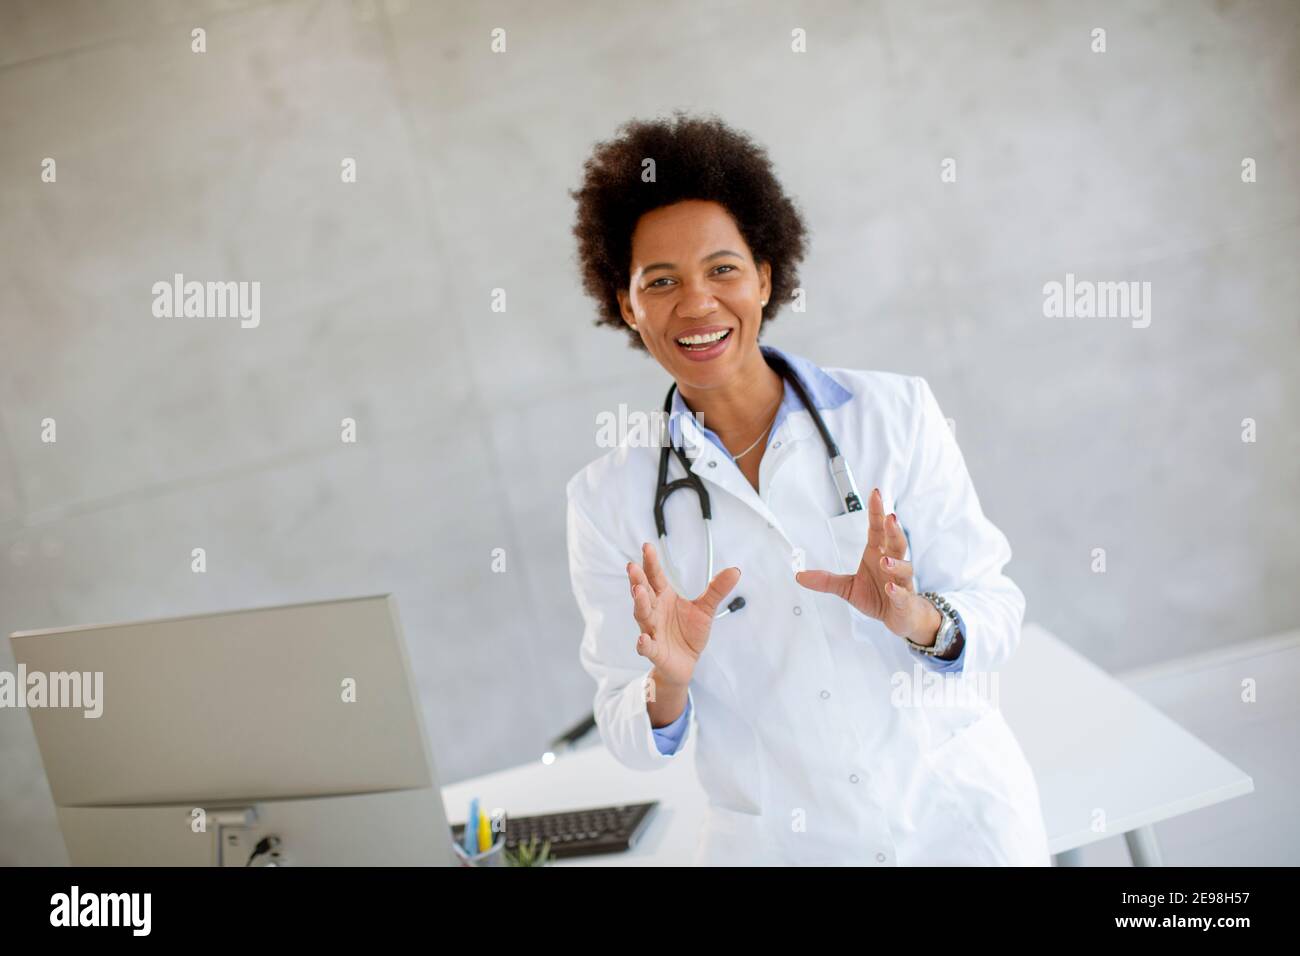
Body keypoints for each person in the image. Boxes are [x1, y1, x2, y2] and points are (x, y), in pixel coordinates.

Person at [565, 111, 1050, 865]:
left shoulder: (895, 415)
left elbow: (998, 610)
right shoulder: (606, 500)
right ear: (627, 305)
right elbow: (626, 732)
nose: (696, 305)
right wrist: (666, 682)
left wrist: (918, 617)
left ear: (764, 275)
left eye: (722, 270)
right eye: (660, 282)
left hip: (958, 828)